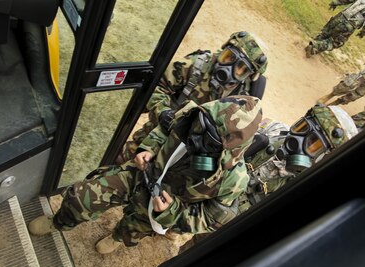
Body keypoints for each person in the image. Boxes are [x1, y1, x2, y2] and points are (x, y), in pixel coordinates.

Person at [28, 95, 263, 254]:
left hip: (161, 209)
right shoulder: (190, 114)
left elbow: (210, 220)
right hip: (141, 174)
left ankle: (117, 238)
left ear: (231, 147)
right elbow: (163, 130)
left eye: (209, 138)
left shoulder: (234, 180)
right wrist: (148, 148)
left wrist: (171, 212)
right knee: (81, 197)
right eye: (201, 125)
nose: (198, 135)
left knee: (132, 230)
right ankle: (58, 222)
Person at [179, 103, 359, 253]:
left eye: (313, 144)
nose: (298, 140)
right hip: (215, 202)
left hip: (234, 233)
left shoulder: (307, 189)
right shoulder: (273, 130)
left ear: (325, 157)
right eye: (302, 128)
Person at [116, 31, 268, 164]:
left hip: (187, 156)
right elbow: (155, 88)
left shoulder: (241, 98)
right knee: (117, 165)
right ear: (223, 50)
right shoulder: (195, 66)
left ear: (249, 77)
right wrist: (163, 112)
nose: (230, 68)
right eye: (229, 57)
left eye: (242, 69)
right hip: (157, 134)